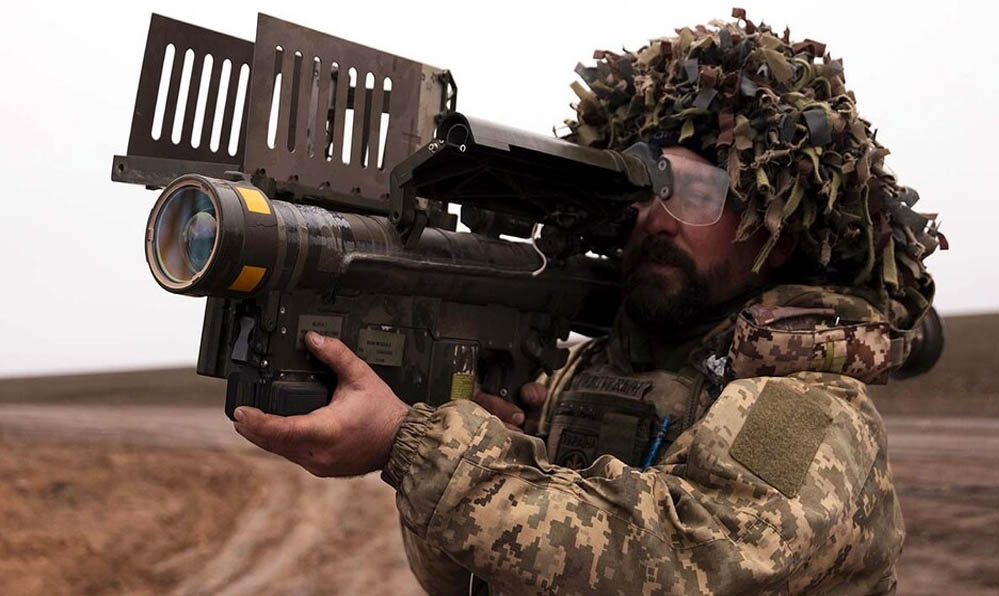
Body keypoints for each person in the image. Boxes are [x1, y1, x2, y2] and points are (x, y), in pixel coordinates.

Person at [232, 10, 944, 595]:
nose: (657, 219)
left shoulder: (805, 407)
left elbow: (692, 561)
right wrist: (478, 438)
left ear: (774, 238)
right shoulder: (584, 372)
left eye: (697, 196)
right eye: (649, 192)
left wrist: (413, 447)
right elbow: (463, 579)